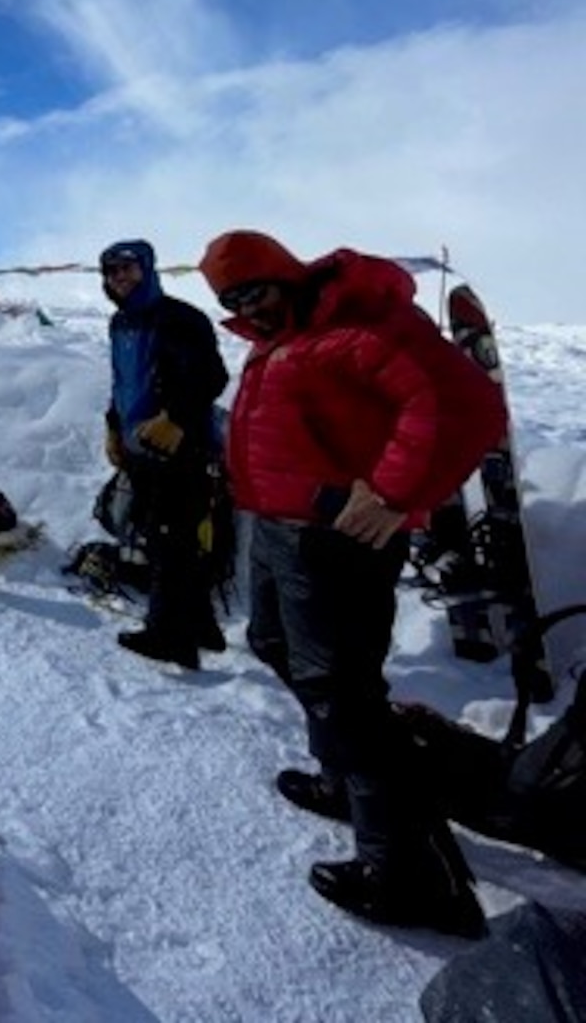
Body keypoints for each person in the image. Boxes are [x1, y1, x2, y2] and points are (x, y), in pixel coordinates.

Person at [198, 229, 505, 939]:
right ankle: (344, 777)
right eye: (233, 298)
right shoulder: (283, 341)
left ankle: (406, 874)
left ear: (285, 274)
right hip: (278, 532)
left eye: (256, 290)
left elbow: (466, 407)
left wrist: (395, 492)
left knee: (344, 693)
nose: (250, 307)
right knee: (276, 645)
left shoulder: (357, 325)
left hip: (336, 541)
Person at [98, 239, 229, 671]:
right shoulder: (121, 324)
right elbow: (123, 381)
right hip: (141, 449)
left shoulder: (178, 318)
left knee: (170, 542)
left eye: (128, 268)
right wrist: (114, 427)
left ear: (148, 269)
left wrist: (176, 416)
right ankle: (202, 628)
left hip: (180, 449)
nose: (119, 277)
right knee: (175, 540)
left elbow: (212, 376)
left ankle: (170, 639)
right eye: (112, 270)